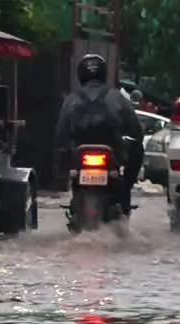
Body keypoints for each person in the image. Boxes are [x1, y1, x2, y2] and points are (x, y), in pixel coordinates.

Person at [55, 53, 144, 214]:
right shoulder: (117, 97)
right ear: (103, 73)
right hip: (111, 155)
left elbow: (61, 132)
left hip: (79, 155)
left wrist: (63, 162)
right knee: (137, 151)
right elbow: (136, 130)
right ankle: (125, 193)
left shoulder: (71, 99)